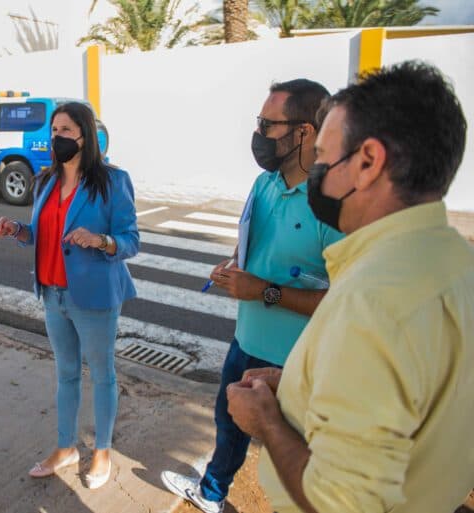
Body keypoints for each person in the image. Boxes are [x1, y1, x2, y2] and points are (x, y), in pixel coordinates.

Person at [227, 61, 473, 513]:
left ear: (368, 162)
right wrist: (298, 384)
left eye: (323, 157)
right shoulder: (456, 261)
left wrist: (266, 422)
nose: (316, 171)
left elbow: (341, 503)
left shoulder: (374, 301)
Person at [161, 79, 343, 513]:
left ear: (304, 132)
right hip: (246, 341)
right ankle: (211, 493)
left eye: (268, 124)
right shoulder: (264, 184)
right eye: (258, 122)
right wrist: (232, 264)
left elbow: (341, 302)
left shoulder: (330, 204)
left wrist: (263, 291)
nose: (259, 135)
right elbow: (248, 242)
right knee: (228, 423)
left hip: (294, 362)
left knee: (293, 457)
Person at [0, 101, 139, 489]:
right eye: (53, 130)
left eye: (65, 131)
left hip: (93, 298)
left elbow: (131, 240)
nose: (56, 138)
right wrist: (17, 229)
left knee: (103, 375)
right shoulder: (45, 181)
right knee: (66, 375)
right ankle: (66, 447)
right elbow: (40, 234)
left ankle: (103, 450)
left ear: (84, 136)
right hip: (52, 294)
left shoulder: (112, 181)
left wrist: (101, 240)